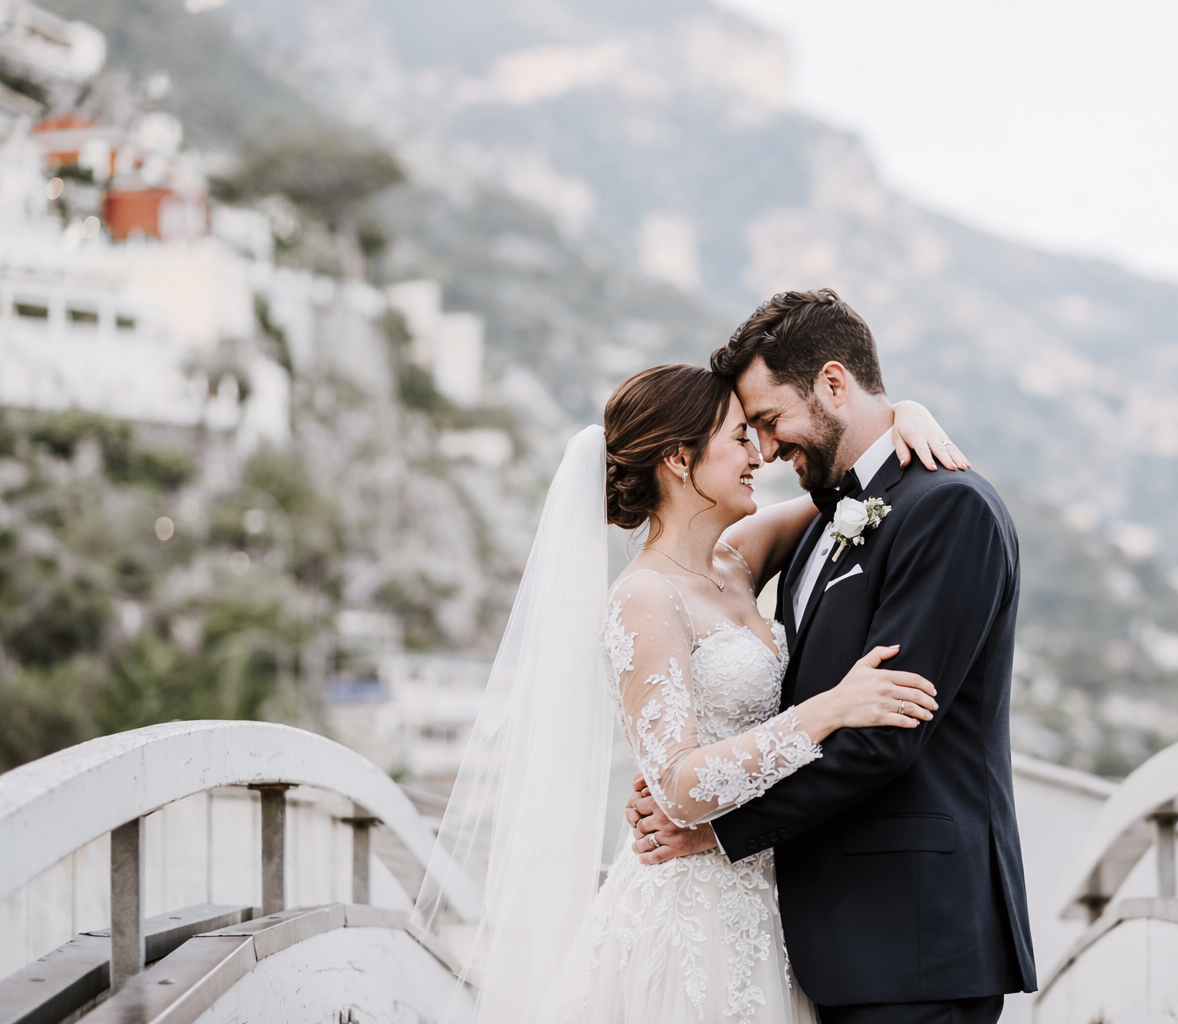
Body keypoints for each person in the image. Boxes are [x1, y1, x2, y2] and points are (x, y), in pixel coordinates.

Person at [412, 355, 968, 1023]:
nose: (758, 455)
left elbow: (848, 492)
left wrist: (903, 416)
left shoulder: (737, 562)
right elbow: (677, 785)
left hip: (774, 905)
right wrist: (827, 711)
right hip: (692, 913)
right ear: (680, 460)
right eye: (738, 438)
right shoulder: (643, 597)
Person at [628, 290, 1036, 1024]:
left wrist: (717, 828)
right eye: (746, 432)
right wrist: (690, 774)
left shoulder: (948, 509)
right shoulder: (821, 521)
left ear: (834, 383)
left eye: (768, 420)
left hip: (914, 939)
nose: (766, 448)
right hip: (820, 939)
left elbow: (885, 735)